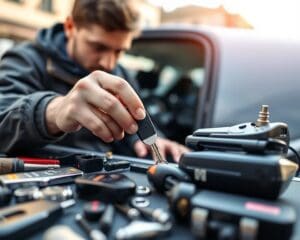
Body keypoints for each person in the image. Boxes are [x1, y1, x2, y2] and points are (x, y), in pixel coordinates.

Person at [0, 0, 188, 162]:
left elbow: (134, 125)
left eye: (119, 51)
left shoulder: (121, 74)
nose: (108, 63)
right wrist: (54, 111)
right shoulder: (25, 59)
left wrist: (147, 141)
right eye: (98, 47)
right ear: (70, 27)